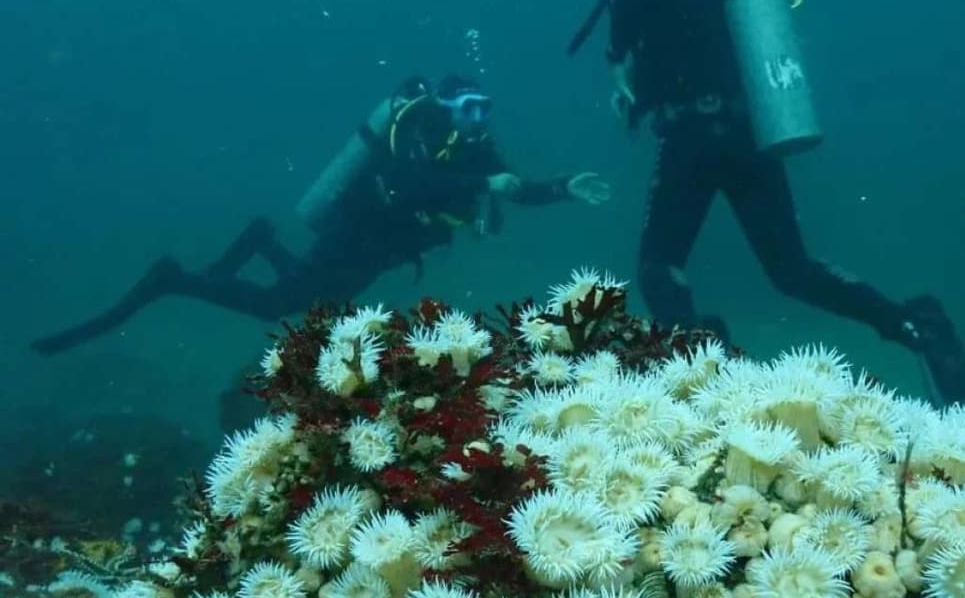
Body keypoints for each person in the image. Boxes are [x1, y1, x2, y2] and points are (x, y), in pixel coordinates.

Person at [566, 0, 965, 404]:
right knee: (793, 269)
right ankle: (912, 325)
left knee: (660, 268)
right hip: (752, 133)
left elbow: (621, 67)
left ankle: (704, 369)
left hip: (689, 139)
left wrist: (625, 87)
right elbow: (785, 2)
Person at [31, 75, 611, 355]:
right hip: (356, 232)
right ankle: (172, 279)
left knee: (316, 306)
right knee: (278, 307)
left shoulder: (478, 152)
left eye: (484, 107)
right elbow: (411, 182)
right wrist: (484, 179)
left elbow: (514, 189)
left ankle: (259, 241)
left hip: (384, 251)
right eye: (467, 107)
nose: (477, 118)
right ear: (445, 106)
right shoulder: (418, 127)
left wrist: (562, 187)